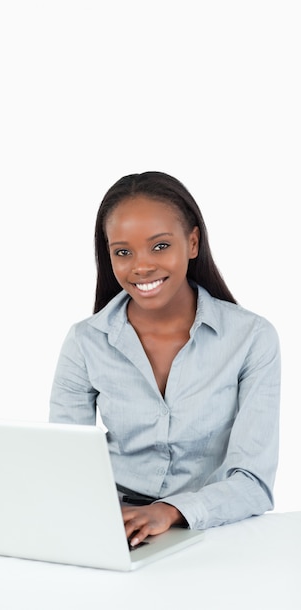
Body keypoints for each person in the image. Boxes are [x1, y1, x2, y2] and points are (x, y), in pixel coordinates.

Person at [49, 171, 280, 548]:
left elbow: (253, 483)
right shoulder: (85, 341)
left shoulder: (252, 338)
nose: (141, 267)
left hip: (211, 530)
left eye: (159, 246)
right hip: (114, 525)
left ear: (192, 243)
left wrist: (170, 511)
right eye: (123, 252)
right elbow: (64, 464)